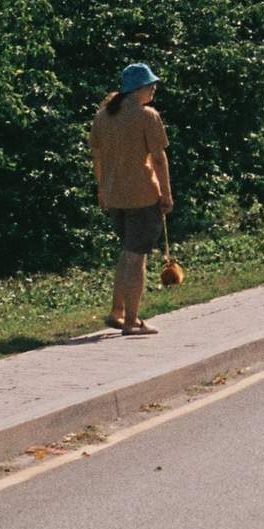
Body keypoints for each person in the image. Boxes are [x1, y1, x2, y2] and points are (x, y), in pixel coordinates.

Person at [90, 62, 174, 336]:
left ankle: (117, 312)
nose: (154, 88)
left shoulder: (103, 117)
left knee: (126, 254)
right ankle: (132, 322)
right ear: (137, 89)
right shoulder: (147, 116)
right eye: (150, 84)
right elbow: (159, 159)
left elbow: (97, 156)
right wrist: (166, 193)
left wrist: (102, 189)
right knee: (137, 258)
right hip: (142, 195)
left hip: (115, 195)